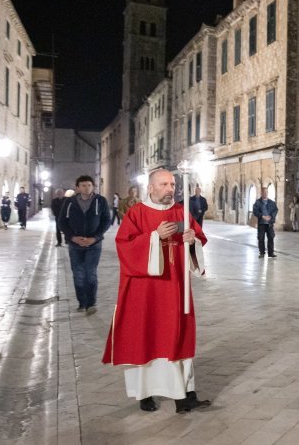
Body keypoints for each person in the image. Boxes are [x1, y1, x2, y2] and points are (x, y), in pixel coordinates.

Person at [102, 168, 211, 414]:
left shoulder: (181, 211)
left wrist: (192, 239)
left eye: (172, 184)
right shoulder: (136, 213)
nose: (170, 189)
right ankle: (145, 394)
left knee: (179, 336)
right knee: (146, 336)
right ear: (150, 188)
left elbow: (199, 240)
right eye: (163, 184)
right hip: (146, 292)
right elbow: (124, 248)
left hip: (176, 288)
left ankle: (185, 396)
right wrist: (154, 236)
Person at [57, 175, 111, 315]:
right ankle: (82, 302)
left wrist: (95, 238)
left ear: (93, 186)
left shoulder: (100, 201)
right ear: (77, 188)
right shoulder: (70, 202)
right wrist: (72, 237)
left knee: (90, 273)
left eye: (89, 185)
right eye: (83, 185)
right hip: (75, 245)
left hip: (94, 244)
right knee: (78, 274)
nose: (86, 188)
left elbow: (106, 221)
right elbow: (62, 222)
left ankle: (91, 303)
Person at [252, 187, 278, 258]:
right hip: (261, 223)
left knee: (271, 237)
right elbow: (255, 211)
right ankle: (262, 253)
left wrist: (271, 216)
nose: (265, 193)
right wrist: (262, 216)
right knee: (261, 238)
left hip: (269, 223)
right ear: (261, 193)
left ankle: (271, 253)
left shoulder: (271, 202)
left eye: (266, 192)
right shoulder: (257, 202)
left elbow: (275, 210)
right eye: (264, 192)